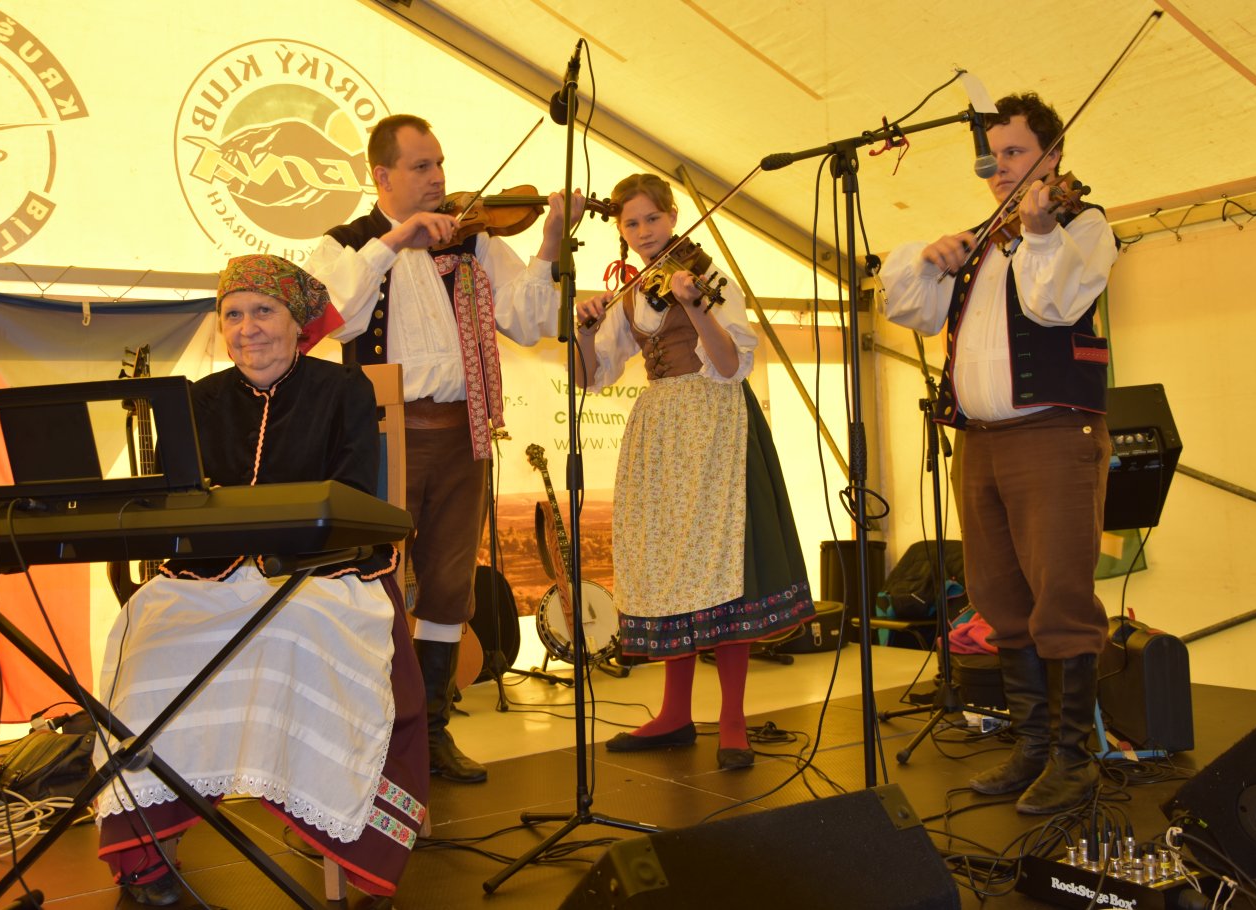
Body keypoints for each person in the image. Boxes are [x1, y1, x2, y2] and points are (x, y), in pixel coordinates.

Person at [94, 255, 427, 905]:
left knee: (295, 633)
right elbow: (179, 502)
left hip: (322, 568)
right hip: (212, 572)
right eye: (233, 315)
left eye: (263, 311)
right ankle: (147, 856)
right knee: (149, 633)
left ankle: (338, 828)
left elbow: (354, 496)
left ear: (297, 322)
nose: (247, 328)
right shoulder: (198, 399)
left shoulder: (344, 389)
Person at [306, 115, 582, 784]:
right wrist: (393, 241)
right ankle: (373, 734)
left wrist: (549, 241)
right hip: (379, 433)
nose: (438, 178)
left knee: (449, 584)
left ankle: (431, 730)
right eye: (421, 167)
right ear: (382, 175)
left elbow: (530, 320)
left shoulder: (473, 239)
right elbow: (329, 315)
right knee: (372, 580)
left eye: (440, 164)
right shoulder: (346, 243)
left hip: (464, 429)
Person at [880, 92, 1119, 814]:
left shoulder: (1083, 226)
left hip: (1051, 438)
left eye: (1014, 153)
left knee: (1061, 596)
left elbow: (1054, 305)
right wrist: (929, 261)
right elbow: (912, 310)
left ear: (1052, 156)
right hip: (977, 444)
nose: (1000, 168)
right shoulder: (984, 240)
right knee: (999, 598)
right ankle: (1032, 747)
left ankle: (1074, 759)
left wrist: (1040, 234)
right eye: (991, 158)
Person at [573, 173, 815, 771]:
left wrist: (696, 306)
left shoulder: (710, 278)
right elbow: (590, 377)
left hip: (715, 422)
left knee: (722, 565)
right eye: (631, 223)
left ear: (673, 216)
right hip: (661, 429)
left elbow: (730, 365)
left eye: (652, 219)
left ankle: (732, 719)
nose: (643, 232)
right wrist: (583, 331)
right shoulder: (631, 293)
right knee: (669, 567)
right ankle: (674, 712)